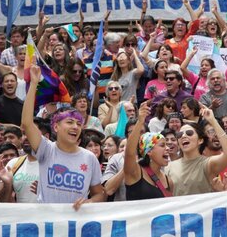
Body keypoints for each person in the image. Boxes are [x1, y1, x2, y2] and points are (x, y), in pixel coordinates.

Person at [22, 65, 105, 209]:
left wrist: (89, 202)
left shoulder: (89, 157)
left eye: (79, 124)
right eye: (70, 122)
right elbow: (27, 123)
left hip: (76, 226)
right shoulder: (46, 149)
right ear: (56, 127)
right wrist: (34, 83)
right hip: (48, 224)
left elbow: (100, 194)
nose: (75, 127)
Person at [165, 108, 227, 196]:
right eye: (180, 134)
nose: (184, 136)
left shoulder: (208, 164)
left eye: (189, 133)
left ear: (200, 140)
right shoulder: (169, 167)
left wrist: (213, 121)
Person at [124, 102, 173, 200]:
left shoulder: (169, 181)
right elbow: (129, 153)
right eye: (162, 145)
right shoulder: (135, 172)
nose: (167, 148)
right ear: (149, 151)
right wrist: (140, 121)